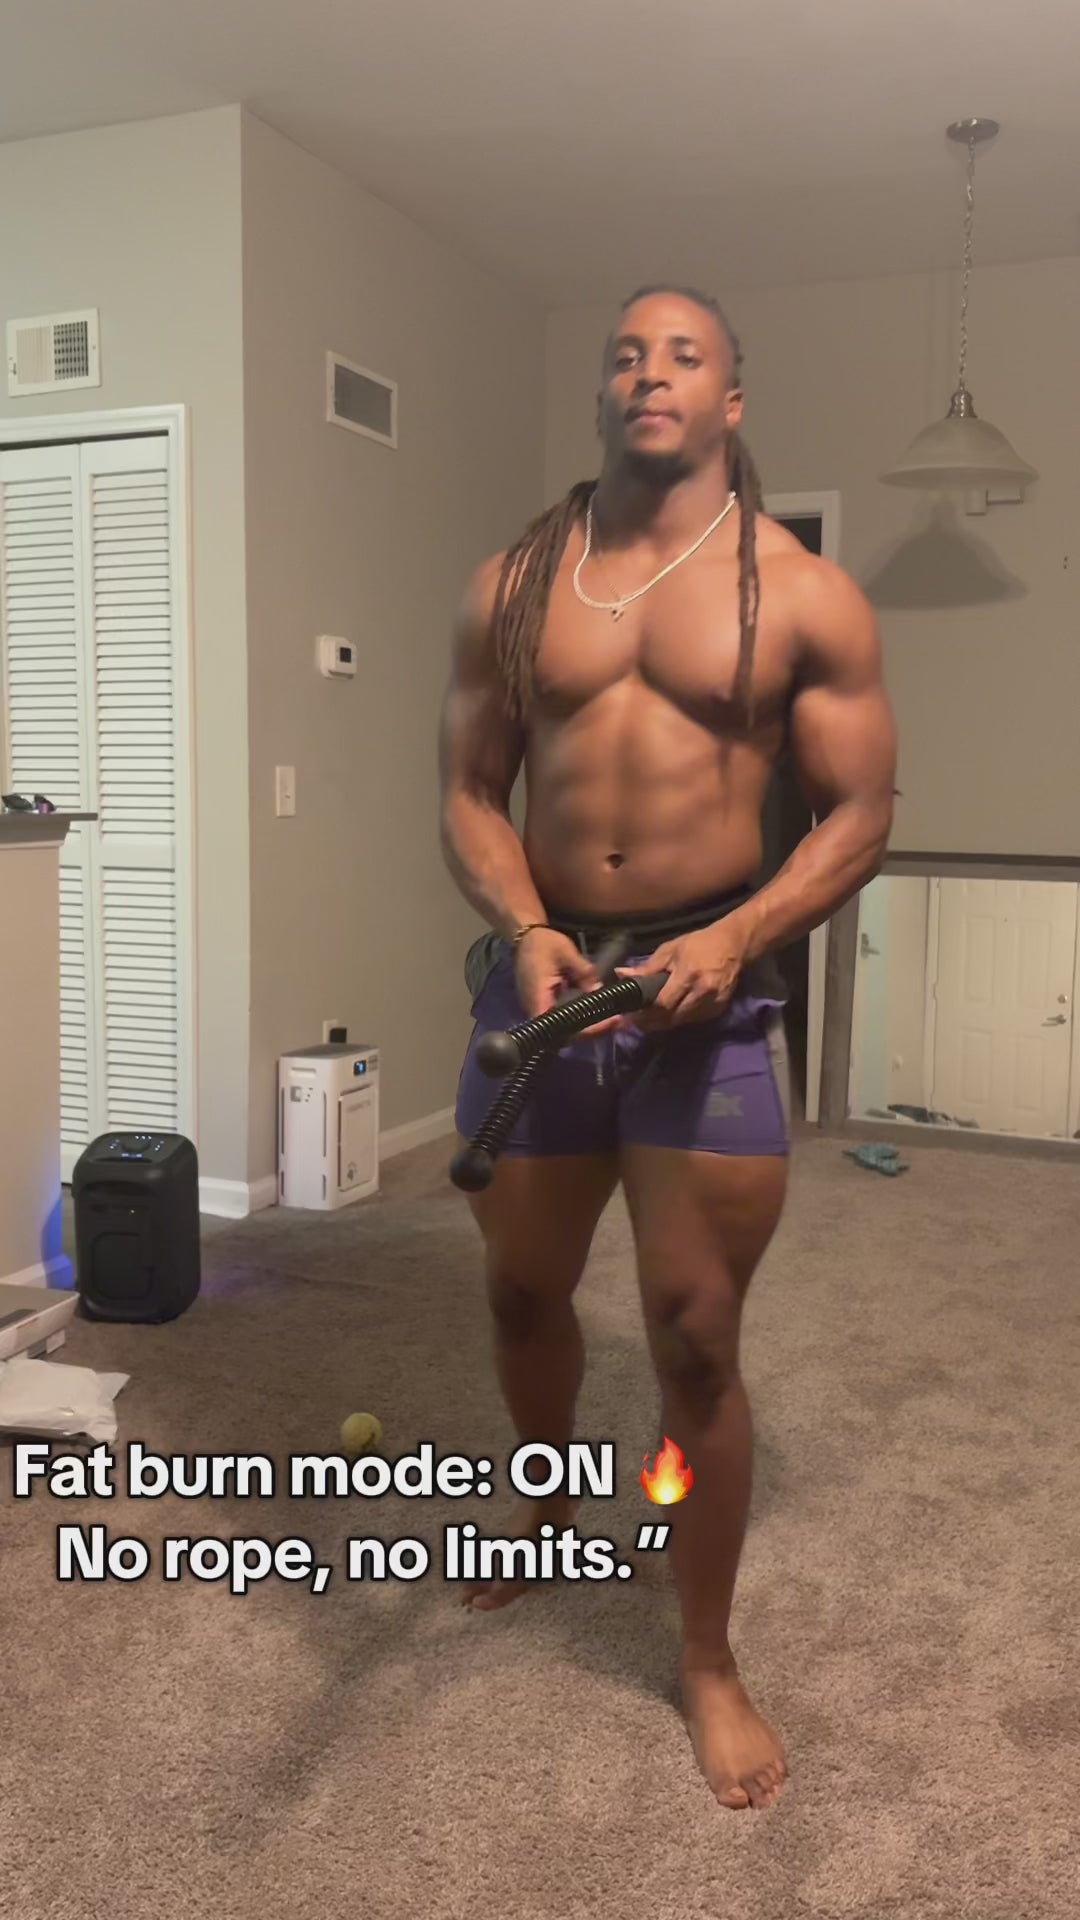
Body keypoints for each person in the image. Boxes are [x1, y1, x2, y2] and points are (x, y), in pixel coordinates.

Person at [437, 286, 897, 1813]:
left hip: (710, 994)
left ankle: (705, 1659)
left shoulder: (804, 595)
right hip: (545, 984)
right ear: (601, 395)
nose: (652, 372)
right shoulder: (515, 589)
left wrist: (739, 933)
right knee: (521, 1288)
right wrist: (522, 925)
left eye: (685, 355)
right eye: (628, 354)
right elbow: (470, 792)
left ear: (730, 401)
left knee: (696, 1337)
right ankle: (548, 1509)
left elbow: (861, 813)